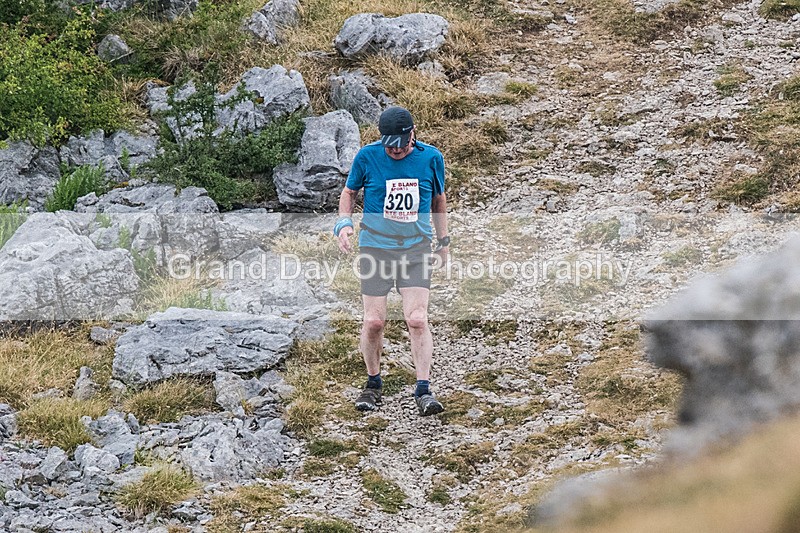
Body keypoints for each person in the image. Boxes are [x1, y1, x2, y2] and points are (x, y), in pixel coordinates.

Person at [334, 106, 450, 416]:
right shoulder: (367, 157)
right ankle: (373, 384)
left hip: (415, 249)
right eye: (388, 145)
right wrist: (343, 224)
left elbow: (439, 200)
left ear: (412, 134)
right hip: (376, 248)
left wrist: (444, 241)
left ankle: (423, 389)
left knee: (417, 318)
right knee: (374, 321)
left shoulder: (430, 158)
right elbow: (349, 192)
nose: (395, 151)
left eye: (400, 144)